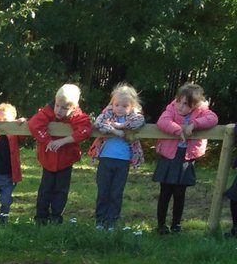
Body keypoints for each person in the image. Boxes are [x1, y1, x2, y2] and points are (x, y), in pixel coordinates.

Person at [154, 83, 219, 234]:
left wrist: (194, 125)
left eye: (185, 104)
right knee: (165, 192)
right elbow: (163, 121)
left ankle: (176, 224)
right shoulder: (171, 108)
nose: (180, 106)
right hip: (168, 156)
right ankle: (161, 225)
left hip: (186, 158)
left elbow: (213, 119)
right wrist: (178, 130)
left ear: (194, 106)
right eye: (179, 101)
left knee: (179, 193)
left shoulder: (202, 112)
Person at [27, 83, 92, 223]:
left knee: (61, 190)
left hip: (66, 159)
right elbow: (34, 124)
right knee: (45, 188)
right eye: (57, 105)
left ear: (73, 107)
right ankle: (41, 217)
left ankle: (56, 216)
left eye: (64, 108)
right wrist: (47, 141)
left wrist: (63, 141)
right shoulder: (47, 111)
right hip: (48, 158)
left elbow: (85, 130)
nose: (59, 110)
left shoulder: (77, 115)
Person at [89, 83, 145, 229]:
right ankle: (100, 220)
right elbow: (98, 123)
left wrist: (121, 126)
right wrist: (114, 131)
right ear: (112, 103)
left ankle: (112, 220)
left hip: (123, 161)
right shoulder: (107, 115)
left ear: (131, 106)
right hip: (106, 159)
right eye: (117, 105)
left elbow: (139, 121)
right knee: (103, 191)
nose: (120, 108)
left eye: (124, 106)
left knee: (116, 192)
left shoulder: (134, 117)